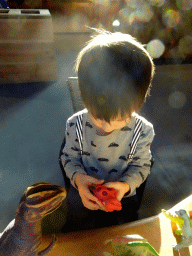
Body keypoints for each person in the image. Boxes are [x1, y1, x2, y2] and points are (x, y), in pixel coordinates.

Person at [60, 29, 155, 232]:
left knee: (123, 231)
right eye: (97, 117)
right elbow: (67, 158)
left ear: (138, 104)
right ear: (85, 98)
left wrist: (126, 186)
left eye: (120, 118)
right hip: (83, 193)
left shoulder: (142, 131)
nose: (107, 126)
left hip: (123, 197)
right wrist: (78, 178)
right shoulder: (75, 125)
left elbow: (142, 165)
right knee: (79, 232)